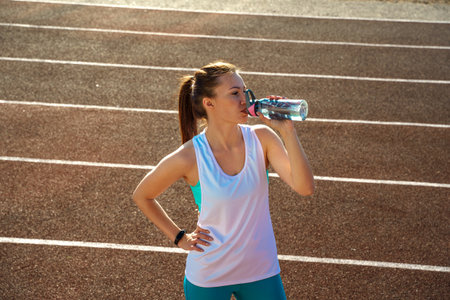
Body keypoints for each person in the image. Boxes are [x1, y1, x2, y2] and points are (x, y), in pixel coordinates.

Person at [133, 61, 314, 300]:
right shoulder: (190, 156)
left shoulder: (262, 139)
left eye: (244, 91)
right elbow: (142, 195)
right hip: (209, 275)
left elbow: (305, 187)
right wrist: (180, 238)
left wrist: (288, 131)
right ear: (209, 103)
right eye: (234, 93)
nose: (245, 100)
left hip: (260, 270)